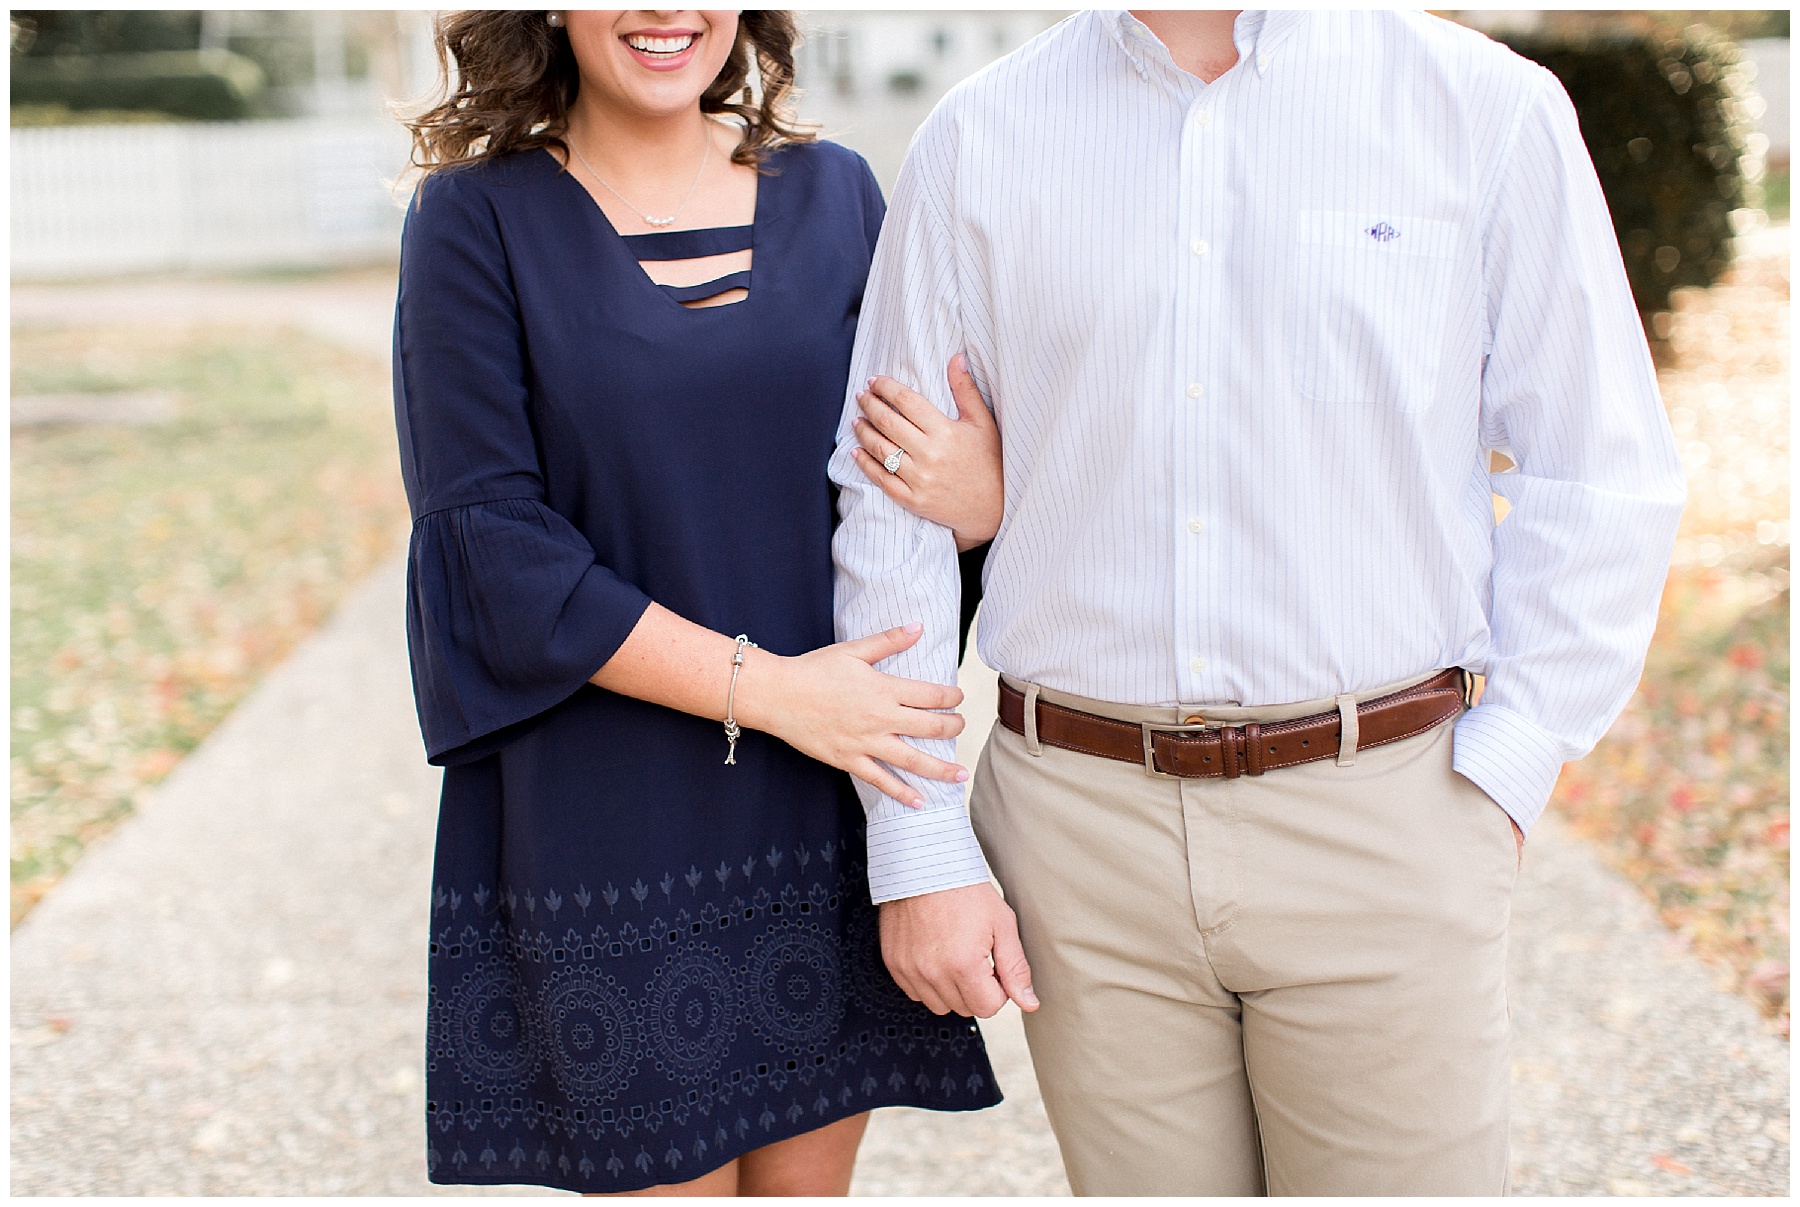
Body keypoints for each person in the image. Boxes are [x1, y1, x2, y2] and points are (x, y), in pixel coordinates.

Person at [833, 8, 1685, 1195]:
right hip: (1079, 832)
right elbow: (892, 511)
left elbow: (1599, 469)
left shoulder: (1484, 109)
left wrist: (1510, 766)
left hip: (1385, 816)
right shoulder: (981, 134)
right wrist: (920, 845)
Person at [394, 10, 1007, 1196]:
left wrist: (981, 502)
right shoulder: (474, 222)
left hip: (820, 811)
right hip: (612, 827)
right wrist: (777, 693)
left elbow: (904, 497)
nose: (664, 12)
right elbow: (492, 551)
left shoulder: (841, 197)